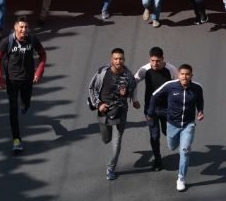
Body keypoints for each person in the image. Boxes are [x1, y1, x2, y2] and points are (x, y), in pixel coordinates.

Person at [0, 16, 47, 153]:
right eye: (21, 27)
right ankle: (16, 140)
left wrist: (39, 72)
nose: (24, 30)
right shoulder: (7, 41)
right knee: (13, 110)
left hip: (28, 80)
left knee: (26, 102)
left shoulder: (32, 40)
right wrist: (0, 78)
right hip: (12, 81)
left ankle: (25, 104)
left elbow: (42, 55)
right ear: (15, 27)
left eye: (26, 27)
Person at [148, 64, 204, 192]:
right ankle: (179, 141)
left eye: (187, 74)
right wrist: (150, 113)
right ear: (178, 75)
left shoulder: (196, 88)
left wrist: (200, 111)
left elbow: (200, 100)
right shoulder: (170, 85)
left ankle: (181, 178)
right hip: (172, 124)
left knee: (184, 151)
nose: (185, 76)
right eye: (182, 74)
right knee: (172, 146)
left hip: (188, 124)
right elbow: (155, 95)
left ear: (191, 75)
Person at [87, 48, 140, 181]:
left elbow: (133, 89)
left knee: (117, 142)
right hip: (104, 111)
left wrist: (132, 98)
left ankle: (111, 168)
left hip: (120, 112)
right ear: (111, 59)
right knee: (106, 139)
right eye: (116, 59)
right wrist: (99, 104)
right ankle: (105, 132)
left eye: (121, 58)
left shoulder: (128, 76)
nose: (118, 61)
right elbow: (92, 88)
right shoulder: (102, 72)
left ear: (124, 60)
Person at [134, 47, 178, 171]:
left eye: (157, 61)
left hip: (167, 108)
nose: (154, 63)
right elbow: (133, 81)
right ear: (150, 59)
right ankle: (158, 161)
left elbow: (179, 86)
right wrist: (134, 99)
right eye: (152, 60)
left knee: (167, 132)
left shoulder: (171, 69)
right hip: (150, 109)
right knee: (154, 135)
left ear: (163, 59)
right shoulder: (145, 69)